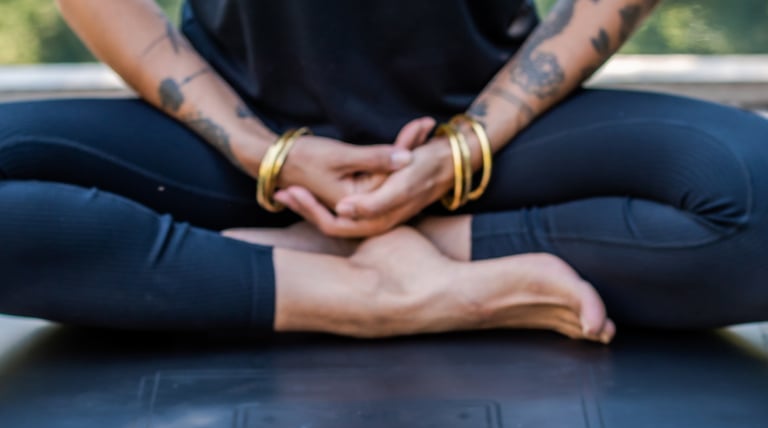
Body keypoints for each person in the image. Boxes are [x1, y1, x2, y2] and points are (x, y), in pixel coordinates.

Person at [0, 0, 766, 343]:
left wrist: (463, 149)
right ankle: (371, 293)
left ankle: (379, 248)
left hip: (494, 143)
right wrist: (262, 151)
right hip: (236, 147)